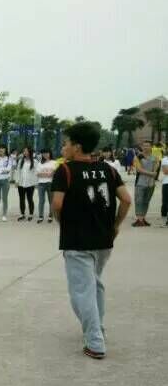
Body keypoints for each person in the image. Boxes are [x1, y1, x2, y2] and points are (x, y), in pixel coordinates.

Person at [51, 121, 131, 359]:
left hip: (77, 241)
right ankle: (98, 328)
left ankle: (95, 342)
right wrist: (115, 226)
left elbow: (57, 204)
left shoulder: (65, 171)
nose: (63, 148)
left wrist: (62, 222)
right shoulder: (108, 169)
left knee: (82, 291)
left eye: (66, 143)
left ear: (77, 147)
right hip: (103, 239)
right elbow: (126, 200)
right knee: (94, 285)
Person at [132, 141, 158, 226]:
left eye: (148, 146)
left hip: (151, 183)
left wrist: (153, 174)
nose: (146, 147)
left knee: (146, 201)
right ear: (142, 147)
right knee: (139, 200)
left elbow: (156, 168)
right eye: (144, 146)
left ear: (151, 147)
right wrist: (151, 173)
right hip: (140, 182)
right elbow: (139, 169)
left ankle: (142, 218)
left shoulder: (155, 157)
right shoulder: (138, 157)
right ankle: (139, 219)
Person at [36, 149, 58, 223]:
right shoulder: (40, 163)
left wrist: (49, 174)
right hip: (41, 183)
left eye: (47, 153)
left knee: (51, 201)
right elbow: (38, 174)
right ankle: (40, 216)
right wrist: (48, 174)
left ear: (50, 154)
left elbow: (56, 172)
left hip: (51, 183)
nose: (45, 155)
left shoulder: (54, 162)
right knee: (41, 200)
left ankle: (50, 216)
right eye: (43, 153)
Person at [16, 146, 38, 221]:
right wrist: (17, 181)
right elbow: (18, 171)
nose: (25, 152)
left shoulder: (34, 161)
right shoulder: (21, 161)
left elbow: (36, 173)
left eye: (26, 151)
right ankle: (22, 214)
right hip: (21, 183)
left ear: (30, 152)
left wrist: (35, 182)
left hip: (30, 184)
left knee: (30, 199)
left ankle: (31, 214)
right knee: (21, 199)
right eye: (24, 151)